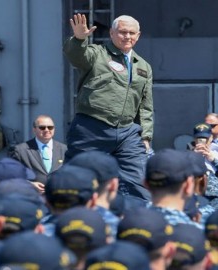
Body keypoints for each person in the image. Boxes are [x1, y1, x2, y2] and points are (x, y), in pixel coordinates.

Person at [64, 13, 153, 201]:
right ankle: (67, 218)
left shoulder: (143, 66)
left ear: (138, 36)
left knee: (137, 183)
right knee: (77, 179)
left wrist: (145, 136)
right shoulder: (97, 53)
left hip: (128, 132)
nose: (127, 36)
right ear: (112, 33)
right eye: (122, 32)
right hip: (92, 127)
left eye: (131, 33)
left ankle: (136, 222)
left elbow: (145, 106)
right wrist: (79, 39)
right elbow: (76, 56)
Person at [8, 115, 67, 188]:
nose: (46, 130)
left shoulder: (64, 149)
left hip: (57, 196)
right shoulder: (20, 150)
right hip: (32, 196)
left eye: (50, 127)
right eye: (42, 127)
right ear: (34, 129)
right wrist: (30, 184)